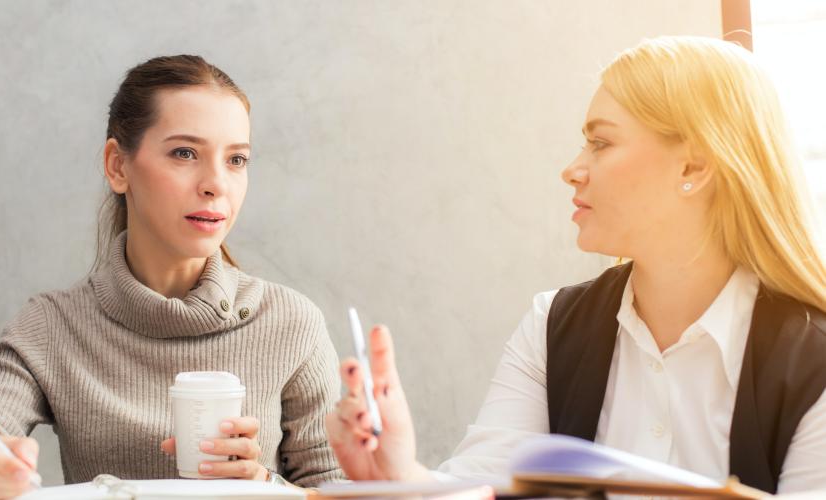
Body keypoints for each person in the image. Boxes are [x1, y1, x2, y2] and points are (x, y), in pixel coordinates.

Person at [326, 36, 826, 494]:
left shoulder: (812, 358)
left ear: (693, 167)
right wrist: (401, 476)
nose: (572, 170)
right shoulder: (552, 325)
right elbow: (481, 488)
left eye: (601, 142)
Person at [0, 55, 343, 500]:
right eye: (185, 153)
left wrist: (267, 488)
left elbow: (344, 490)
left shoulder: (292, 323)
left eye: (237, 159)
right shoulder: (51, 326)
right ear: (117, 166)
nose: (216, 184)